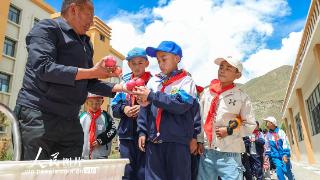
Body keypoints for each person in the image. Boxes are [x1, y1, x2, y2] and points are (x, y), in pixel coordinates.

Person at [14, 0, 126, 160]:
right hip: (38, 116)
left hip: (70, 121)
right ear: (74, 9)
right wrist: (93, 71)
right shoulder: (47, 29)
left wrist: (121, 88)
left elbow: (90, 82)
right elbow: (44, 68)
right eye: (89, 15)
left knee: (70, 172)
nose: (91, 21)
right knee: (33, 173)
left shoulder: (86, 43)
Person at [135, 41, 199, 180]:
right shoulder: (153, 81)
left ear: (177, 59)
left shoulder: (186, 81)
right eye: (158, 60)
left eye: (164, 59)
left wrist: (151, 96)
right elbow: (145, 109)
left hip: (177, 143)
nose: (160, 63)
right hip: (154, 142)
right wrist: (142, 131)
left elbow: (180, 104)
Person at [196, 56, 256, 180]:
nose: (222, 70)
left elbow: (249, 124)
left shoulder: (241, 97)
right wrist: (200, 140)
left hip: (230, 154)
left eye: (228, 68)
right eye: (221, 67)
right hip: (206, 152)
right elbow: (200, 119)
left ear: (237, 75)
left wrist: (229, 130)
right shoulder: (207, 94)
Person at [111, 47, 151, 180]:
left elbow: (159, 107)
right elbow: (114, 108)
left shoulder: (153, 82)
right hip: (126, 135)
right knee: (126, 172)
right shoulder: (124, 84)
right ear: (128, 65)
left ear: (147, 63)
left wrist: (144, 108)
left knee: (143, 172)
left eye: (140, 62)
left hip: (147, 136)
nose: (137, 66)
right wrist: (124, 109)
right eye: (133, 63)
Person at [80, 93, 117, 159]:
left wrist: (101, 140)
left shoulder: (106, 116)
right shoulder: (82, 117)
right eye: (91, 103)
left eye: (97, 103)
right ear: (86, 103)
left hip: (101, 154)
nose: (94, 106)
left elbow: (113, 130)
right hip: (84, 154)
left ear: (102, 102)